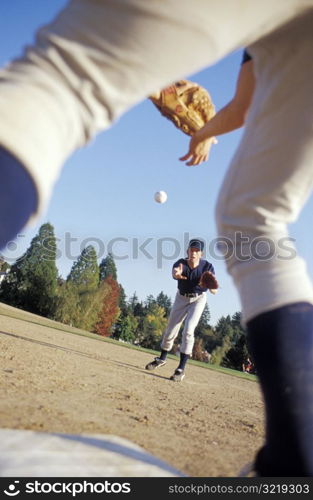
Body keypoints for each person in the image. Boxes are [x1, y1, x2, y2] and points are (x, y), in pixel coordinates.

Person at [0, 0, 312, 476]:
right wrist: (204, 132)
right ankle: (297, 463)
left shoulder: (201, 265)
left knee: (62, 80)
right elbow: (247, 104)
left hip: (196, 301)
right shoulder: (185, 262)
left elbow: (245, 100)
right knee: (255, 217)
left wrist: (159, 79)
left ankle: (186, 370)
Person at [145, 239, 217, 382]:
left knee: (189, 330)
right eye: (192, 250)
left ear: (201, 253)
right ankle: (161, 359)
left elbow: (214, 291)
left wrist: (210, 285)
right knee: (170, 330)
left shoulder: (207, 267)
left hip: (198, 299)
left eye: (197, 251)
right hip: (181, 298)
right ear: (187, 251)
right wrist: (176, 274)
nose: (194, 253)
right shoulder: (181, 264)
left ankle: (180, 369)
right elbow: (175, 272)